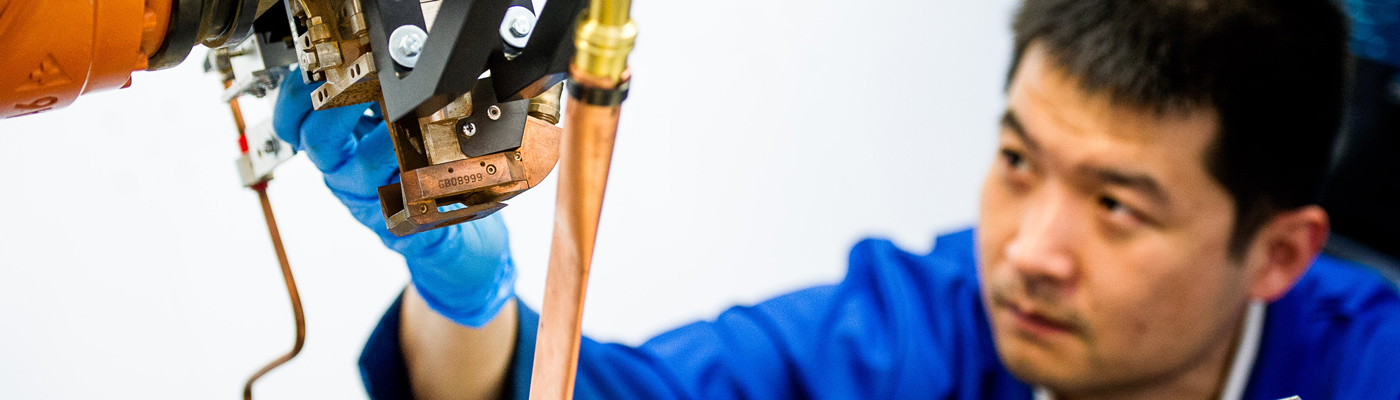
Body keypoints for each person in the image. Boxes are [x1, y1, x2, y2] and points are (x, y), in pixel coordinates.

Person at [272, 0, 1400, 398]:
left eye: (1117, 206)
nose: (1029, 251)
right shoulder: (931, 326)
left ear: (1277, 253)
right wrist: (464, 293)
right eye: (1018, 162)